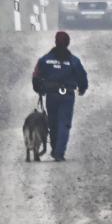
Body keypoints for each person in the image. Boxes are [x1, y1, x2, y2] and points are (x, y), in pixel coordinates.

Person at [32, 30, 89, 161]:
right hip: (67, 96)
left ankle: (54, 149)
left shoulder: (45, 60)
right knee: (64, 123)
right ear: (68, 43)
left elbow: (36, 76)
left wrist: (39, 89)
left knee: (53, 123)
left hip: (51, 96)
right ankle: (59, 152)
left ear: (55, 42)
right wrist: (82, 88)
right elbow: (82, 76)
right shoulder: (74, 61)